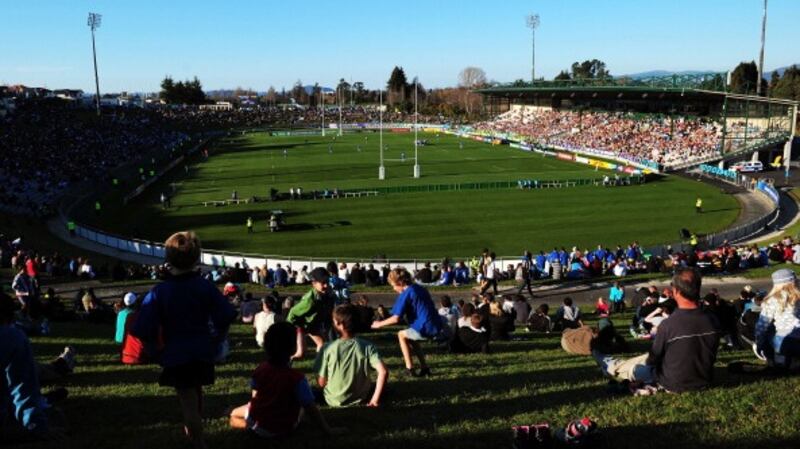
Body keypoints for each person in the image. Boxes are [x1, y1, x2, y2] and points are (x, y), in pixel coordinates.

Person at [133, 231, 237, 449]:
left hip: (177, 353)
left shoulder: (161, 291)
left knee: (188, 400)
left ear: (168, 258)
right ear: (197, 257)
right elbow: (226, 316)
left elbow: (142, 327)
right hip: (201, 350)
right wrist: (217, 340)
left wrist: (155, 351)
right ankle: (194, 433)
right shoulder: (205, 286)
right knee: (194, 393)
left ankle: (197, 441)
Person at [592, 267, 721, 393]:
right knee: (643, 358)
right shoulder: (713, 320)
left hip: (670, 381)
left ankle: (605, 362)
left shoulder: (669, 325)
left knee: (630, 367)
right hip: (703, 380)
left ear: (676, 292)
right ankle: (609, 362)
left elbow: (653, 359)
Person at [228, 322, 343, 438]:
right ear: (293, 349)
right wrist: (327, 430)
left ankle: (253, 427)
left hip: (261, 420)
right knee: (301, 407)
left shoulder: (260, 370)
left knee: (233, 416)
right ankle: (259, 427)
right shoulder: (297, 378)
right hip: (285, 426)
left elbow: (255, 397)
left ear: (266, 346)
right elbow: (310, 407)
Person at [371, 268, 443, 377]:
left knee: (401, 335)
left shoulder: (407, 293)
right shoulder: (419, 288)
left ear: (400, 282)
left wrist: (378, 324)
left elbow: (396, 318)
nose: (394, 289)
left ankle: (409, 368)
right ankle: (424, 367)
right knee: (411, 337)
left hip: (425, 327)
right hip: (436, 324)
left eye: (394, 286)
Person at [314, 304, 388, 407]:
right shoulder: (367, 346)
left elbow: (321, 382)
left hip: (332, 399)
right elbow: (383, 371)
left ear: (340, 324)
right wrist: (375, 399)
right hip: (361, 397)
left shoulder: (327, 348)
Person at [754, 269, 800, 368]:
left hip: (784, 342)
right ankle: (793, 360)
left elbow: (761, 327)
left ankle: (777, 360)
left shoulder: (772, 300)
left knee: (767, 330)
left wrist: (758, 343)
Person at [286, 267, 335, 359]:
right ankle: (286, 361)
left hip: (312, 325)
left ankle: (320, 363)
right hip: (301, 325)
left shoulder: (327, 295)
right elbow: (293, 312)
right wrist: (289, 329)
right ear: (314, 284)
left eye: (327, 282)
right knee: (302, 353)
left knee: (321, 344)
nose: (326, 286)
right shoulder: (309, 301)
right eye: (323, 283)